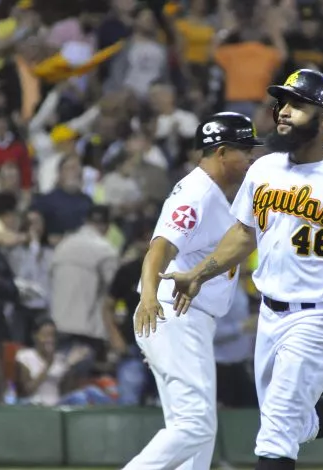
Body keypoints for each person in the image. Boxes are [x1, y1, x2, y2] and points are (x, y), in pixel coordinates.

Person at [161, 69, 323, 470]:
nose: (283, 111)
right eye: (283, 102)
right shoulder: (265, 168)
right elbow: (244, 233)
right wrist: (198, 274)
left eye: (298, 105)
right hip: (270, 313)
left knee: (277, 431)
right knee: (292, 422)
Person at [124, 112, 262, 470]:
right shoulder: (197, 193)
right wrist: (151, 298)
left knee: (199, 434)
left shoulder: (215, 193)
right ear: (220, 151)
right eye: (244, 149)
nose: (251, 157)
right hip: (175, 313)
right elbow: (160, 248)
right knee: (195, 425)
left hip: (187, 319)